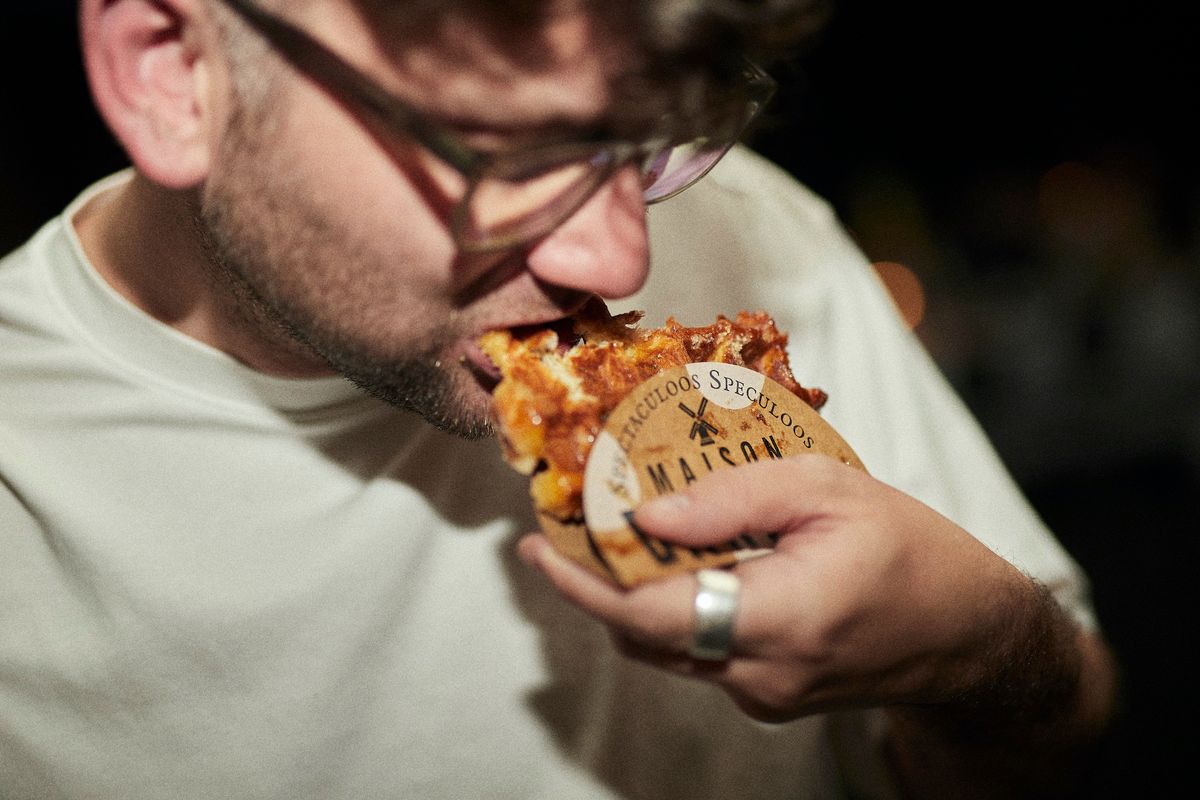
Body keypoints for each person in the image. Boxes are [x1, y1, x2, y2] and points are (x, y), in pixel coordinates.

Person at [0, 0, 1116, 798]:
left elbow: (1066, 731)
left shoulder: (752, 234)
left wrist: (981, 654)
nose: (624, 257)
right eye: (513, 157)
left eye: (656, 132)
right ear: (169, 71)